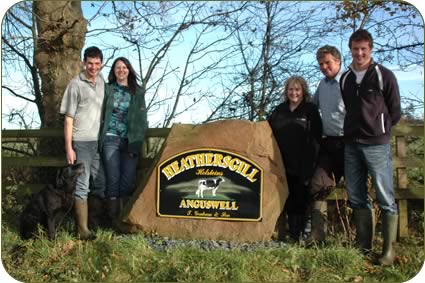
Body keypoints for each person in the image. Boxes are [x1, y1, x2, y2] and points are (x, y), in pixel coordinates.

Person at [340, 29, 401, 265]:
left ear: (371, 49)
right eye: (355, 49)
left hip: (376, 144)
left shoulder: (383, 75)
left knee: (385, 196)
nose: (359, 53)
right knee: (356, 196)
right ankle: (364, 246)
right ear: (350, 49)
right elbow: (349, 107)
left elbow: (394, 110)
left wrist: (379, 129)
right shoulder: (345, 78)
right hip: (351, 145)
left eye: (364, 48)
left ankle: (388, 251)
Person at [60, 46, 106, 240]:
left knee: (101, 182)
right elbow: (68, 118)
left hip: (98, 142)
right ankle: (82, 231)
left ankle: (93, 221)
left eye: (97, 63)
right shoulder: (75, 85)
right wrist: (69, 147)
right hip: (81, 142)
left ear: (101, 63)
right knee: (82, 185)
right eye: (90, 63)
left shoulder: (103, 82)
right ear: (83, 62)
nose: (93, 67)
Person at [268, 76, 322, 242]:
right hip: (282, 163)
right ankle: (290, 235)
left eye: (297, 89)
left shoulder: (311, 110)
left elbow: (316, 138)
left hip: (304, 163)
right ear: (286, 91)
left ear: (303, 91)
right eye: (291, 89)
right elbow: (267, 132)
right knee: (287, 199)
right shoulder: (279, 110)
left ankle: (302, 235)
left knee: (302, 199)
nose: (294, 93)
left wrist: (311, 163)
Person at [99, 57, 148, 228]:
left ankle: (124, 218)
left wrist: (137, 143)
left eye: (124, 67)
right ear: (113, 71)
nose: (121, 70)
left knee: (127, 181)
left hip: (130, 140)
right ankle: (112, 221)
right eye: (117, 67)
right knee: (112, 179)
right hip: (110, 138)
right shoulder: (107, 89)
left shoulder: (138, 92)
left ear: (129, 70)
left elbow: (142, 120)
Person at [305, 45, 345, 245]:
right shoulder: (322, 85)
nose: (324, 67)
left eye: (327, 62)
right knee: (317, 185)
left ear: (338, 61)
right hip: (329, 143)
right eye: (321, 64)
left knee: (357, 190)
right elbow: (312, 108)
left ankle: (363, 243)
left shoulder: (349, 82)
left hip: (351, 144)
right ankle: (317, 236)